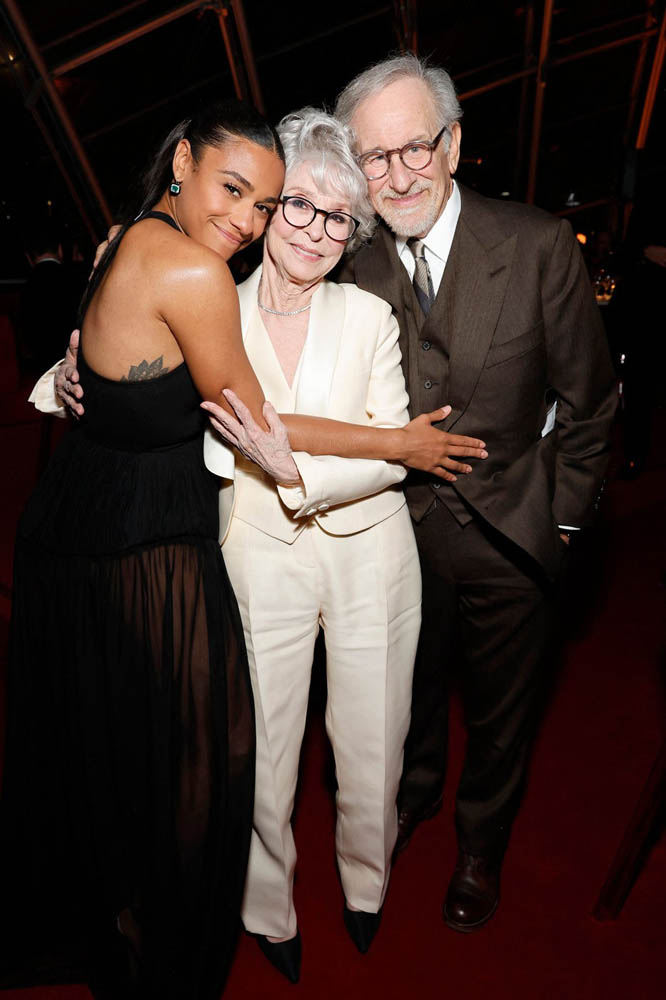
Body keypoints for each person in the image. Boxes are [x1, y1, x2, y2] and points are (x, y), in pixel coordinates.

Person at [31, 107, 489, 983]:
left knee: (373, 744)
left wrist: (306, 474)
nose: (313, 229)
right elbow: (153, 372)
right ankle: (266, 908)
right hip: (252, 551)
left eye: (338, 217)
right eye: (297, 206)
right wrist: (70, 369)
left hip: (368, 554)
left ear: (353, 234)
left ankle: (366, 886)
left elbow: (390, 452)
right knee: (260, 752)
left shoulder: (368, 316)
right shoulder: (211, 292)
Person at [331, 53, 617, 933]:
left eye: (414, 147)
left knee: (499, 715)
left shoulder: (536, 246)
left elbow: (591, 402)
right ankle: (413, 793)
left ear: (453, 145)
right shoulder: (350, 263)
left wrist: (560, 527)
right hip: (396, 534)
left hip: (513, 539)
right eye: (374, 158)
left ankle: (481, 846)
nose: (397, 175)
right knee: (409, 693)